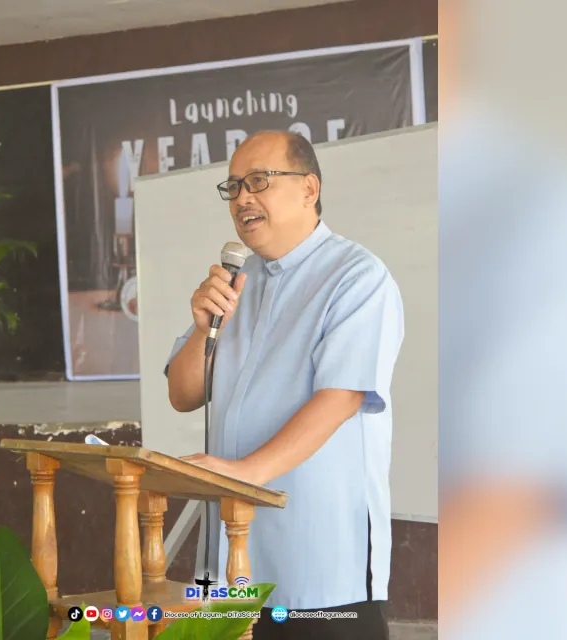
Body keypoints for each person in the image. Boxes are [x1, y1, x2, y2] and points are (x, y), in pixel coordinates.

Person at [164, 130, 404, 640]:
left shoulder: (357, 277)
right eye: (233, 188)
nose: (243, 198)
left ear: (309, 188)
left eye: (259, 181)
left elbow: (341, 397)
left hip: (318, 566)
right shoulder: (233, 282)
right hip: (232, 563)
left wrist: (241, 475)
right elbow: (183, 394)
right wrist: (205, 323)